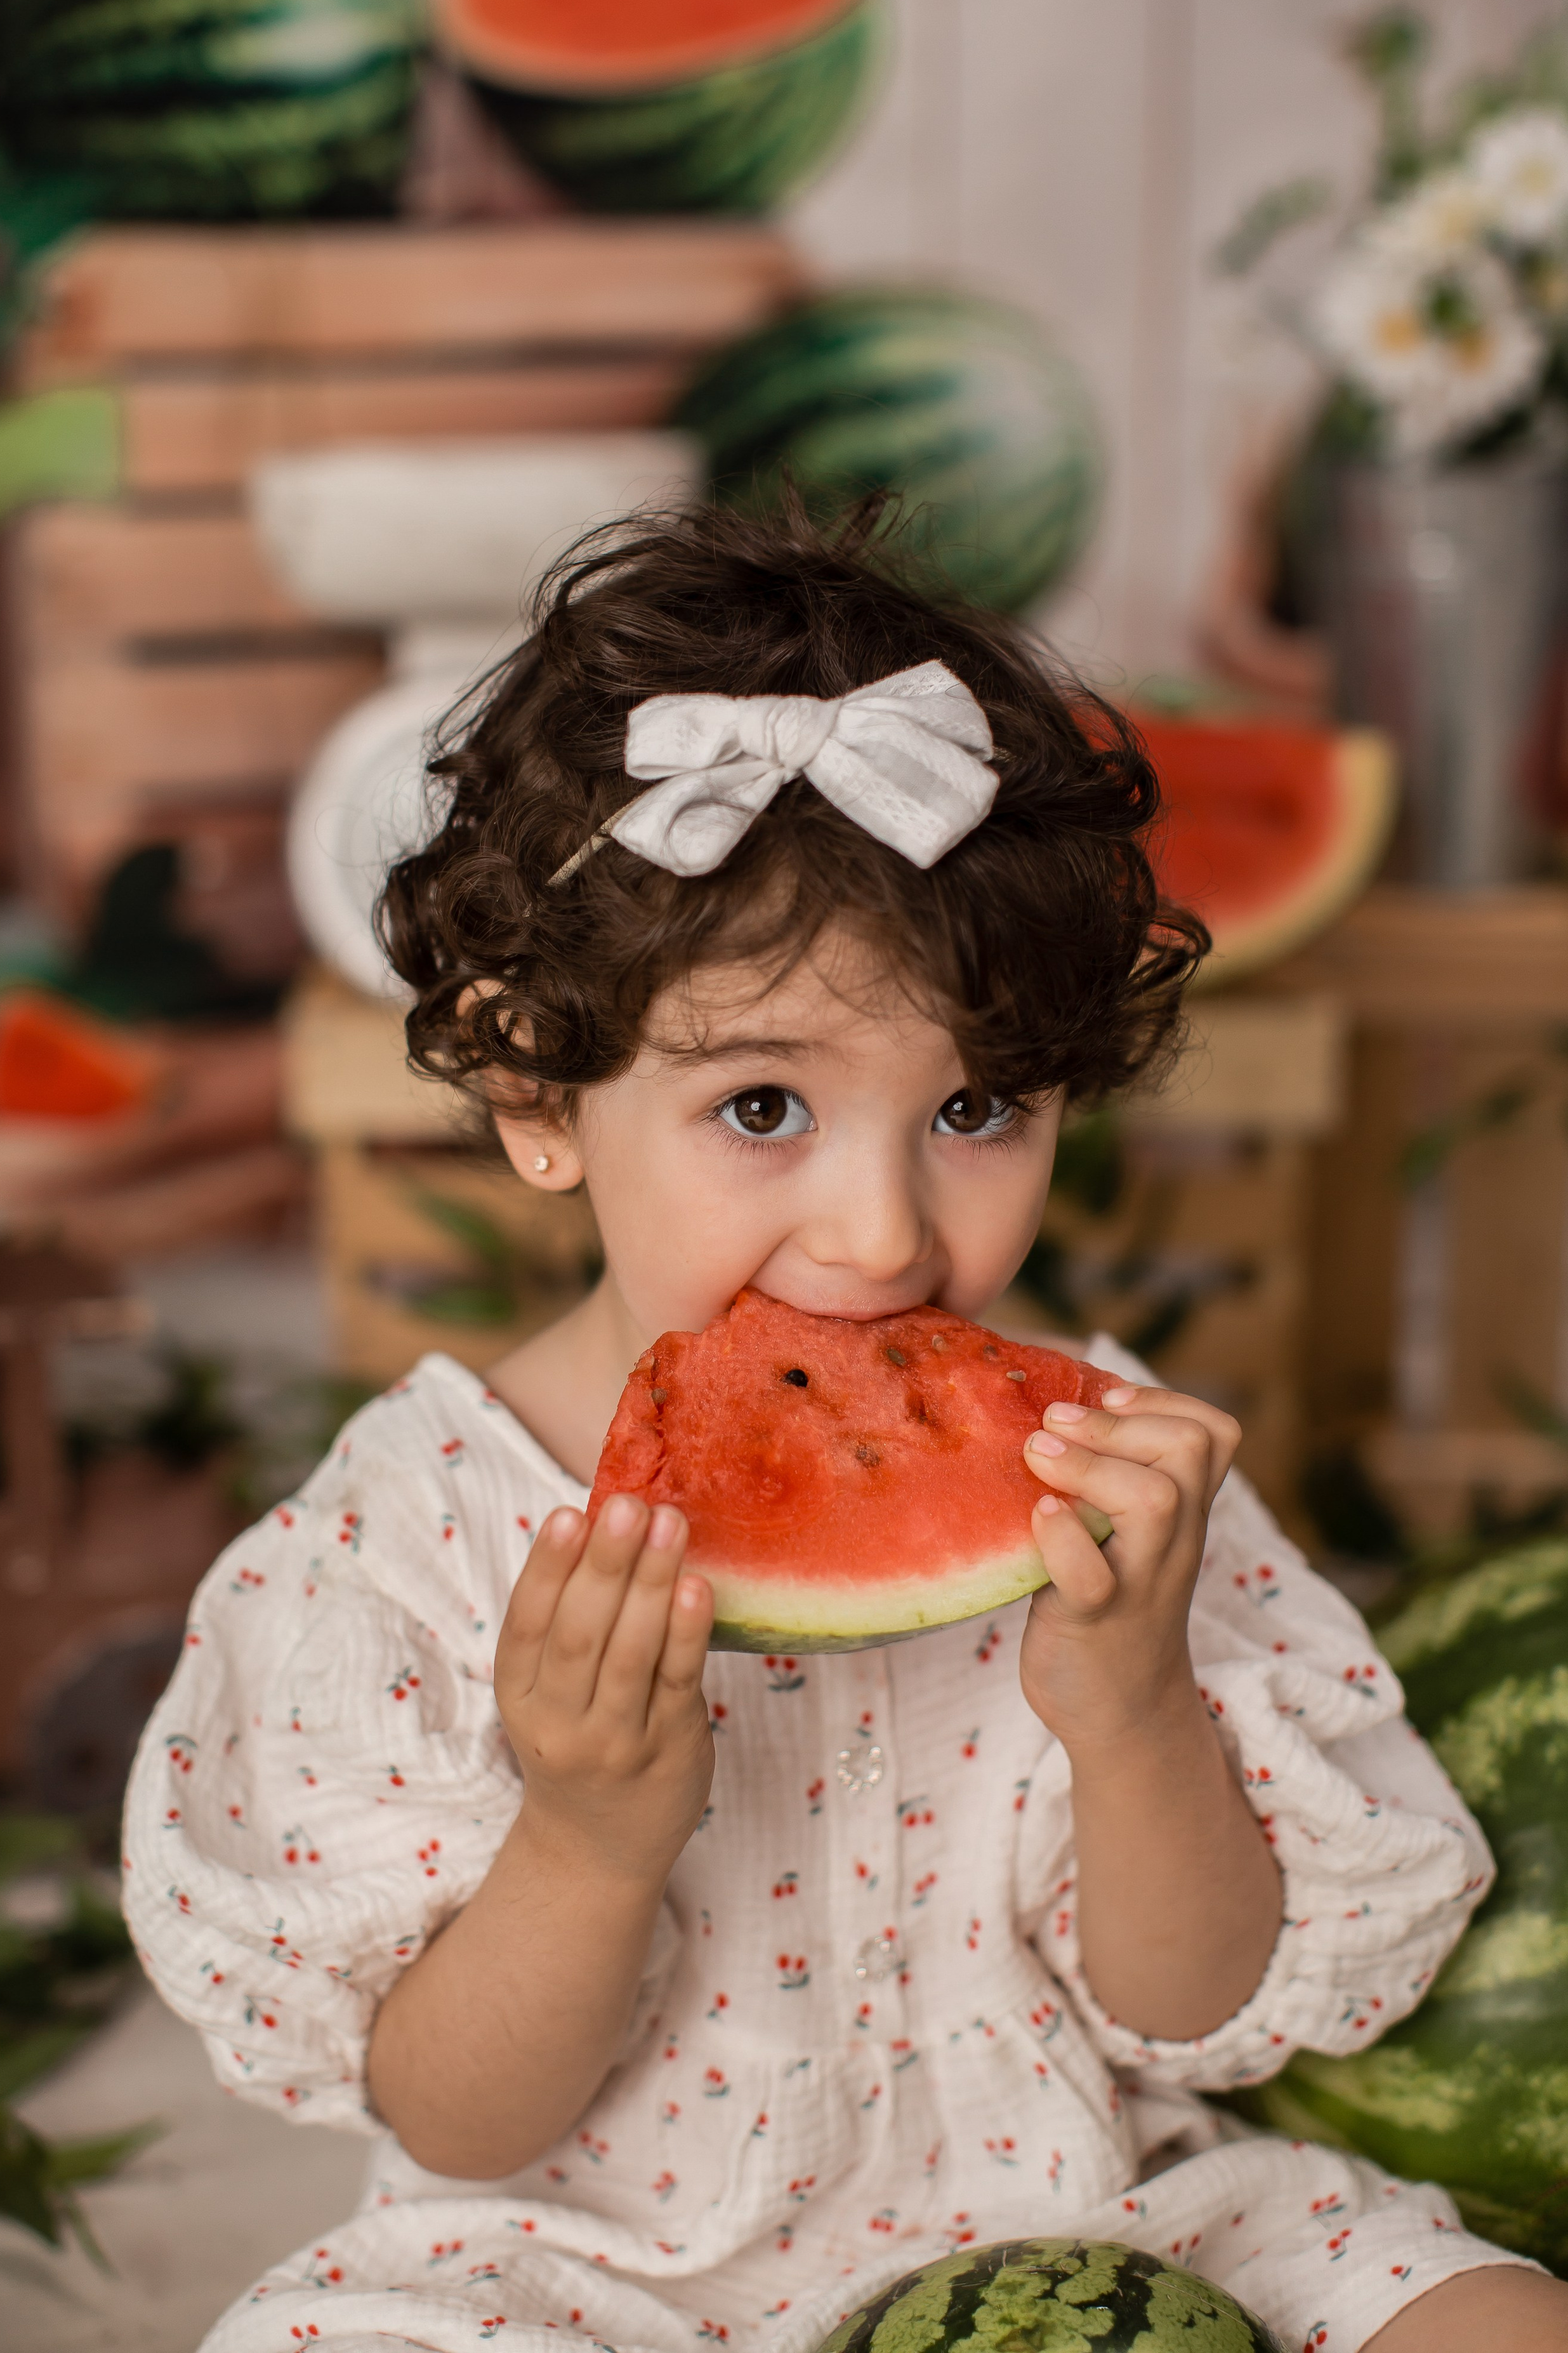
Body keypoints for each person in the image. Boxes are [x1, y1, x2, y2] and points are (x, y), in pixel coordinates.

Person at [123, 503, 1568, 2353]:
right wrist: (579, 1836)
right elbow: (456, 2119)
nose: (886, 1232)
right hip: (588, 2274)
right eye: (761, 1108)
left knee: (1500, 2322)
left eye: (977, 1111)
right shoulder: (389, 1551)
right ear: (529, 1079)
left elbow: (1199, 2011)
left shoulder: (1108, 1476)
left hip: (1086, 2196)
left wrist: (1134, 1710)